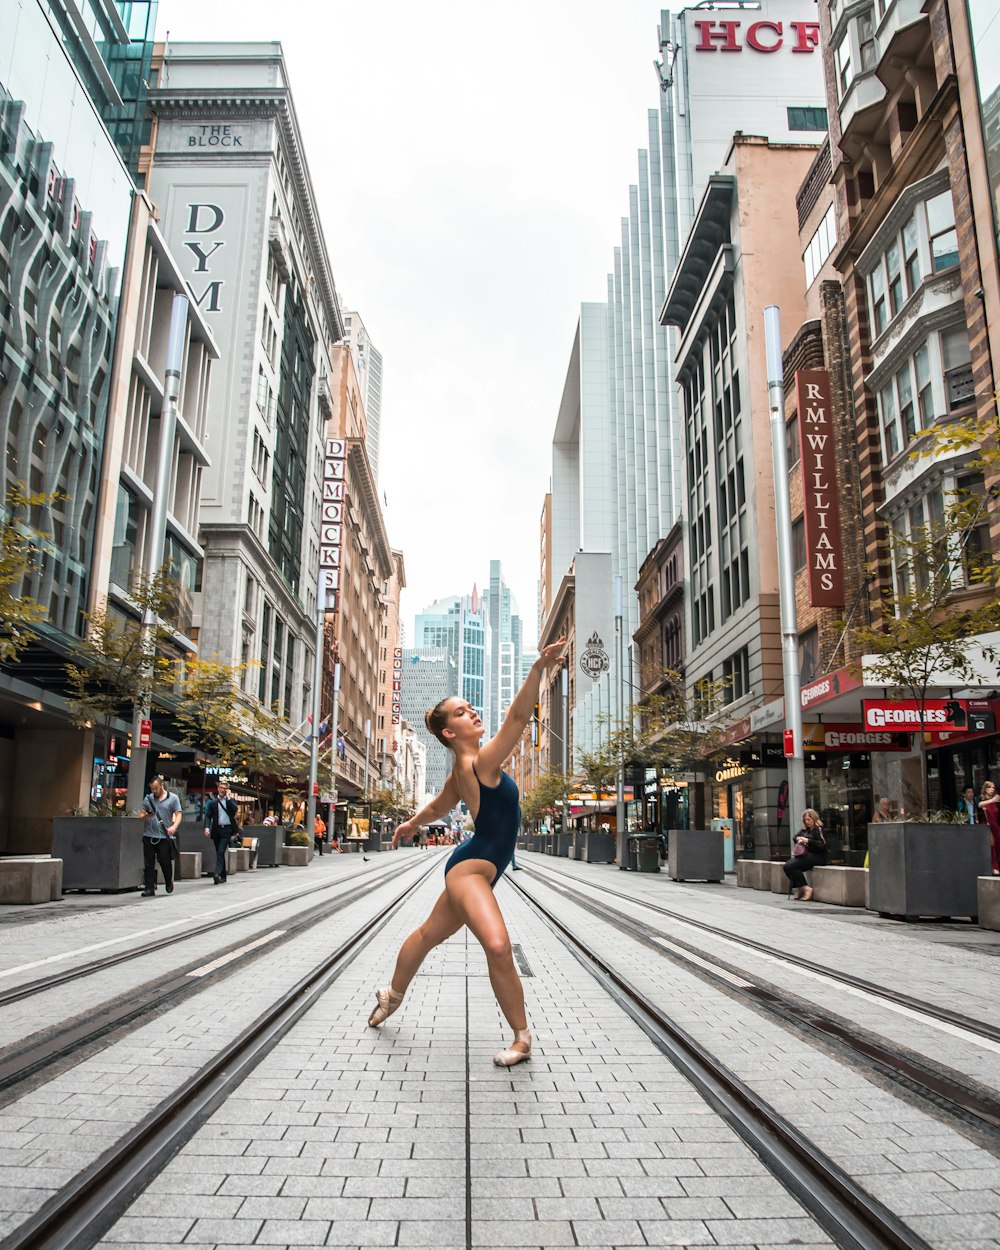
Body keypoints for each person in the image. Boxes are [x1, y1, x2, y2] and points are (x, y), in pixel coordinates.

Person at [368, 637, 567, 1067]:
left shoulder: (466, 770)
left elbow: (440, 806)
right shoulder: (479, 764)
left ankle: (392, 994)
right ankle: (522, 1038)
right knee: (497, 946)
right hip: (470, 872)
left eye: (468, 707)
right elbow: (517, 718)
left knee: (427, 935)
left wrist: (411, 823)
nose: (471, 712)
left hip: (473, 866)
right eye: (461, 712)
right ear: (448, 732)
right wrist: (538, 669)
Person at [141, 776, 182, 897]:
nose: (154, 791)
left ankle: (168, 881)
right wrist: (147, 816)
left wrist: (174, 827)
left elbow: (178, 814)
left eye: (156, 788)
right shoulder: (148, 799)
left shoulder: (173, 798)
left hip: (164, 837)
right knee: (148, 863)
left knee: (165, 861)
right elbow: (141, 816)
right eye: (152, 789)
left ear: (162, 785)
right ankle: (149, 887)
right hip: (149, 835)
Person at [783, 808, 827, 901]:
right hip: (806, 856)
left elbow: (822, 845)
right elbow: (795, 837)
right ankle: (801, 887)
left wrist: (808, 841)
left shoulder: (818, 830)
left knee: (792, 866)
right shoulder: (804, 831)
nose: (807, 822)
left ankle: (805, 888)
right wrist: (799, 839)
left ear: (814, 819)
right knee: (787, 866)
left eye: (809, 819)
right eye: (805, 820)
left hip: (817, 856)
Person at [204, 778, 240, 884]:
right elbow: (208, 816)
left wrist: (228, 799)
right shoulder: (213, 802)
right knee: (219, 852)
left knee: (220, 851)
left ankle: (217, 874)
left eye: (225, 788)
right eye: (221, 788)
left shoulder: (231, 801)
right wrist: (207, 827)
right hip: (216, 829)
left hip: (227, 830)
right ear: (218, 788)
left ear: (228, 790)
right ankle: (223, 875)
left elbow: (234, 810)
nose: (222, 790)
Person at [978, 780, 1000, 875]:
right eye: (989, 787)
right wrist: (992, 800)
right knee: (992, 846)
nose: (992, 789)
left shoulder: (996, 801)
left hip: (996, 826)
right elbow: (979, 805)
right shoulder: (983, 800)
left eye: (993, 788)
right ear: (985, 789)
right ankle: (994, 867)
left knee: (998, 846)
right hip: (988, 827)